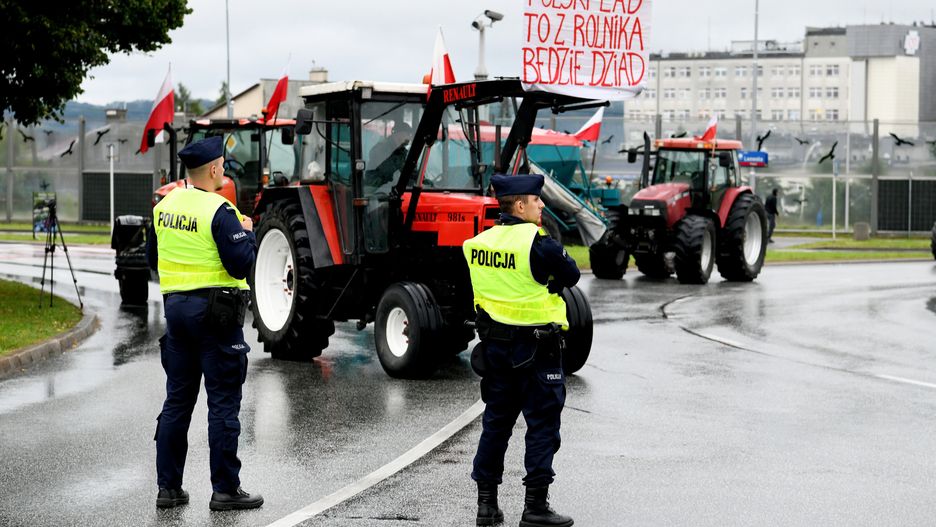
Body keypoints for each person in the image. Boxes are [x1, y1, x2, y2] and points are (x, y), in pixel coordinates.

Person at [145, 136, 263, 511]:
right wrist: (247, 231)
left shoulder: (164, 206)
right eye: (223, 165)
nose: (224, 170)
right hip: (216, 316)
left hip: (176, 312)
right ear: (213, 169)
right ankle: (226, 489)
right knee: (224, 402)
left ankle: (169, 489)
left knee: (178, 400)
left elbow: (153, 256)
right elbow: (239, 263)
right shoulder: (220, 209)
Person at [462, 174, 579, 527]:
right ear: (518, 205)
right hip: (536, 350)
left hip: (495, 349)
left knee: (496, 424)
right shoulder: (538, 243)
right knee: (542, 425)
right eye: (535, 200)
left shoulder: (478, 244)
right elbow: (570, 275)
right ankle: (535, 507)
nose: (541, 205)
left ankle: (487, 506)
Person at [365, 121, 413, 189]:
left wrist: (420, 179)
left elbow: (410, 168)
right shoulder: (382, 149)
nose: (410, 138)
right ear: (398, 134)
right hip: (375, 187)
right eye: (408, 134)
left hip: (391, 187)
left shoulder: (402, 151)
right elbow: (389, 173)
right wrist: (408, 181)